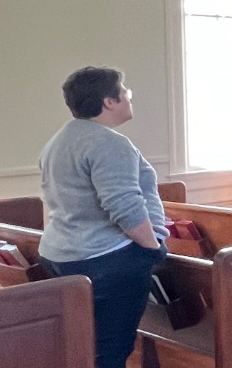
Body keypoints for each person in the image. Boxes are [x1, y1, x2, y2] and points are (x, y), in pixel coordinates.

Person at [38, 66, 169, 368]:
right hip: (105, 259)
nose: (129, 97)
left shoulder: (59, 140)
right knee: (110, 351)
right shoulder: (109, 143)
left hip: (63, 253)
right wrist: (152, 247)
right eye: (125, 92)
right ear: (109, 101)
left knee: (84, 346)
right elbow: (124, 206)